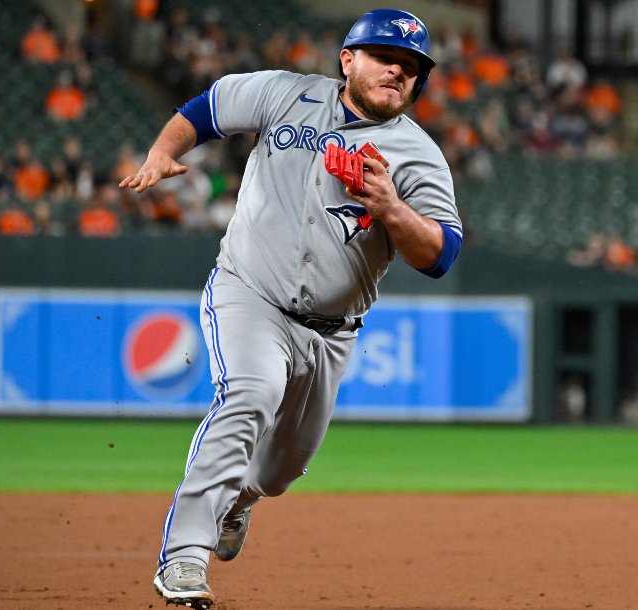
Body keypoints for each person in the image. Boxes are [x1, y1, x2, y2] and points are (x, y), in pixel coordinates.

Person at [119, 10, 462, 608]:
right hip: (249, 291)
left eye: (409, 67)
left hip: (332, 332)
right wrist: (161, 153)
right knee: (248, 394)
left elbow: (440, 254)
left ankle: (239, 501)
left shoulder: (417, 154)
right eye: (385, 57)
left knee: (280, 472)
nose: (397, 71)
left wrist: (392, 209)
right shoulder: (285, 94)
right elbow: (206, 109)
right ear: (348, 60)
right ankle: (185, 557)